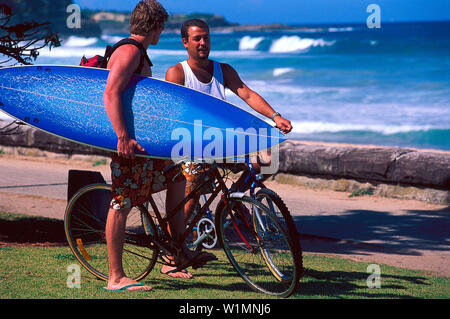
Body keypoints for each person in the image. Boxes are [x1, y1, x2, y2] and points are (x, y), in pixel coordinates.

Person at [163, 19, 293, 278]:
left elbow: (247, 94)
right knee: (187, 205)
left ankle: (232, 198)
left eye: (206, 38)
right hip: (190, 148)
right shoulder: (177, 73)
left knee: (266, 161)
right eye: (197, 38)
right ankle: (171, 257)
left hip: (222, 145)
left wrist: (275, 116)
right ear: (185, 42)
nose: (203, 43)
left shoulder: (222, 70)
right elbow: (172, 114)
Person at [102, 1, 214, 291]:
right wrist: (123, 136)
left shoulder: (138, 52)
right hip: (130, 144)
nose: (161, 32)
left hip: (147, 145)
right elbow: (111, 93)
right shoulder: (129, 51)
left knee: (178, 178)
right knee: (122, 202)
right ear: (153, 25)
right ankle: (115, 277)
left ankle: (176, 253)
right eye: (161, 26)